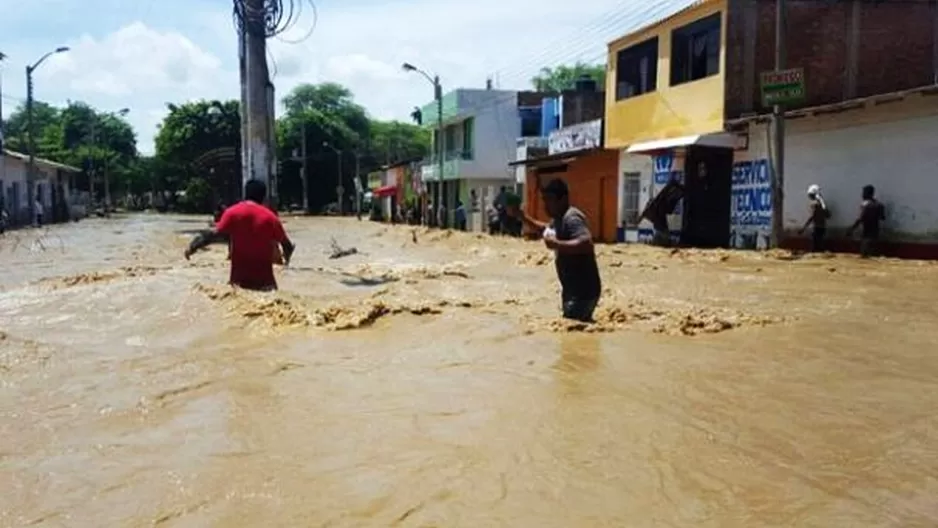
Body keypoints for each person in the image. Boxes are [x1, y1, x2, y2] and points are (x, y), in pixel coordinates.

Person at [508, 178, 601, 322]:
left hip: (582, 291)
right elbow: (545, 229)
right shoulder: (559, 218)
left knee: (572, 333)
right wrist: (522, 217)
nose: (545, 205)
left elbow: (586, 243)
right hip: (573, 289)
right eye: (544, 200)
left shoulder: (572, 218)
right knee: (574, 332)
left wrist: (557, 244)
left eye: (549, 200)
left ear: (563, 199)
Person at [184, 179, 296, 291]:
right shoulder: (271, 218)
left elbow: (212, 235)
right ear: (263, 197)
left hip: (239, 283)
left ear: (245, 193)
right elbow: (287, 246)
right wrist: (287, 260)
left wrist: (192, 247)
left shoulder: (232, 213)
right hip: (265, 284)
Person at [847, 184, 885, 258]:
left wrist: (851, 229)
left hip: (867, 233)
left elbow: (860, 218)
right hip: (875, 232)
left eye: (864, 192)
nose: (862, 194)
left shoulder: (865, 205)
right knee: (872, 255)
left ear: (868, 193)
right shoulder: (879, 205)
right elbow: (882, 217)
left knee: (864, 255)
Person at [798, 184, 830, 252]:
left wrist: (803, 228)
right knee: (820, 245)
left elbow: (811, 217)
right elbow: (828, 216)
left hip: (816, 227)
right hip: (823, 227)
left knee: (815, 248)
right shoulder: (822, 204)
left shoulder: (814, 204)